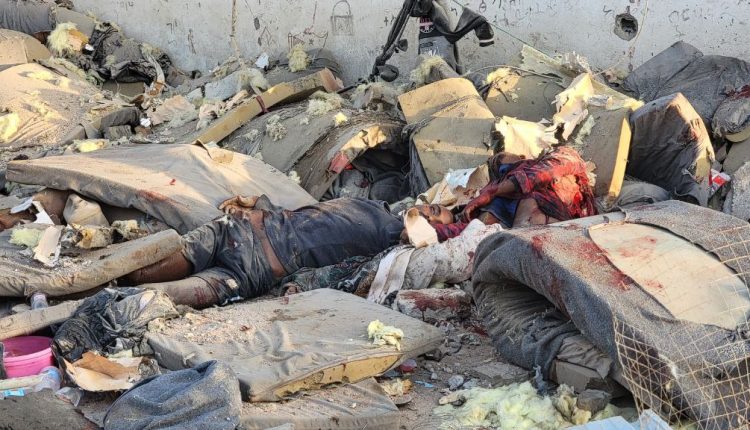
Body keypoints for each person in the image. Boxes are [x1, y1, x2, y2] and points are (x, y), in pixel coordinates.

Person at [124, 196, 404, 308]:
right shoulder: (368, 204)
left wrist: (300, 286)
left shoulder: (390, 248)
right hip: (236, 230)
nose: (425, 211)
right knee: (137, 274)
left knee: (148, 296)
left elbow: (344, 275)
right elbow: (306, 216)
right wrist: (259, 202)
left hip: (251, 270)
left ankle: (114, 297)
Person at [413, 146, 597, 241]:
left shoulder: (473, 199)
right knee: (527, 216)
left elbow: (552, 167)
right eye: (425, 220)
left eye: (422, 212)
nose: (428, 215)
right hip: (546, 211)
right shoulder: (468, 225)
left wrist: (493, 190)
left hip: (547, 182)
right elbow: (461, 232)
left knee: (557, 164)